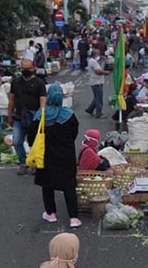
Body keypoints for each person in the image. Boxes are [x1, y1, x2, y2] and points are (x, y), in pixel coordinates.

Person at [27, 84, 81, 227]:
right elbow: (74, 134)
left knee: (47, 185)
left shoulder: (40, 115)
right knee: (69, 186)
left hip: (45, 156)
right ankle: (73, 217)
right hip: (66, 156)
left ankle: (50, 213)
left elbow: (31, 138)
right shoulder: (68, 115)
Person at [8, 58, 47, 175]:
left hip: (34, 117)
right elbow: (11, 99)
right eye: (23, 69)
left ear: (33, 68)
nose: (26, 71)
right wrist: (9, 114)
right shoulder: (15, 82)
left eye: (28, 69)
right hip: (19, 117)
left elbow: (43, 101)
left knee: (34, 142)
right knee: (17, 141)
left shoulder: (39, 83)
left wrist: (42, 117)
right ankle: (23, 163)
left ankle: (34, 163)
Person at [86, 49, 107, 119]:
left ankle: (90, 109)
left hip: (97, 81)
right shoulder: (93, 61)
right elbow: (97, 71)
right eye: (98, 54)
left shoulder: (93, 61)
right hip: (96, 82)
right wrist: (105, 72)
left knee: (96, 97)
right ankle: (99, 113)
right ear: (95, 54)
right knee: (99, 98)